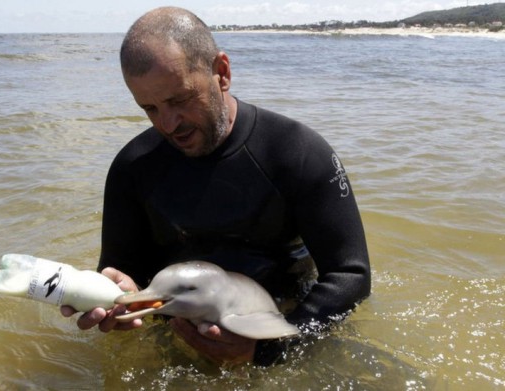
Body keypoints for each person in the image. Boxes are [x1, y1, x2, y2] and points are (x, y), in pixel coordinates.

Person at [61, 6, 371, 366]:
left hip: (282, 324)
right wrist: (117, 301)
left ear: (221, 72)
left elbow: (350, 275)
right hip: (176, 330)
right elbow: (121, 271)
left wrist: (269, 350)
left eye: (179, 99)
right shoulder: (132, 168)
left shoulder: (295, 152)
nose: (169, 123)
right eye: (150, 108)